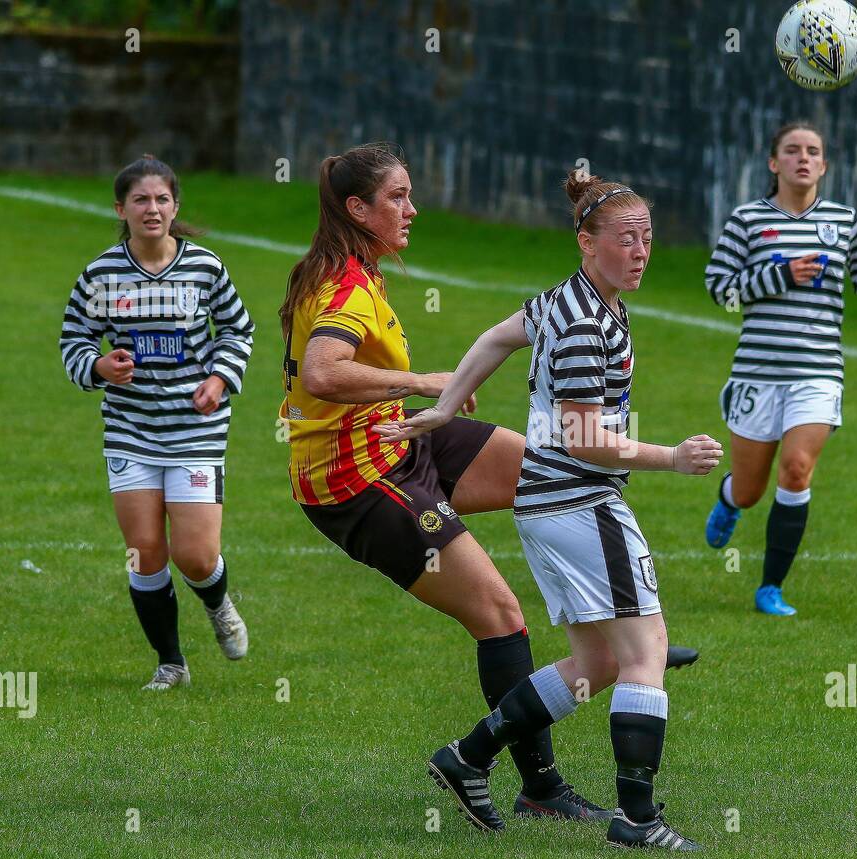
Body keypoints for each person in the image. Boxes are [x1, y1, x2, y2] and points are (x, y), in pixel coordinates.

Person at [281, 143, 669, 823]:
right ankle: (535, 785)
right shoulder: (343, 282)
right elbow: (321, 374)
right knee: (500, 618)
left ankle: (620, 645)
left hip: (398, 440)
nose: (412, 208)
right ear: (356, 209)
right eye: (397, 197)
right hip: (356, 478)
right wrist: (428, 382)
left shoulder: (358, 269)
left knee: (552, 471)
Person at [379, 171, 722, 850]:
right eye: (626, 240)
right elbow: (585, 439)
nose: (641, 251)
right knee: (646, 651)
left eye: (647, 238)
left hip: (546, 504)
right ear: (586, 243)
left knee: (595, 664)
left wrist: (446, 407)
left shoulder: (566, 301)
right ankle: (637, 821)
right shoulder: (586, 324)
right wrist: (672, 457)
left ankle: (468, 756)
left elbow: (496, 337)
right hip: (579, 500)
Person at [60, 154, 254, 690]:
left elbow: (238, 331)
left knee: (195, 555)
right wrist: (99, 367)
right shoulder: (100, 274)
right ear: (120, 208)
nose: (152, 208)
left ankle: (217, 603)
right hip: (131, 429)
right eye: (141, 200)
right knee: (145, 551)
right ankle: (171, 664)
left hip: (194, 428)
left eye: (162, 199)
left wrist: (218, 379)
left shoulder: (205, 267)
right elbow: (73, 341)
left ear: (175, 206)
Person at [702, 121, 857, 616]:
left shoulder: (844, 220)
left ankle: (770, 587)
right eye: (792, 150)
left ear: (824, 165)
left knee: (796, 469)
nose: (803, 158)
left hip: (817, 373)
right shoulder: (748, 220)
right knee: (752, 491)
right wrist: (781, 274)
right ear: (774, 163)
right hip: (756, 372)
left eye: (813, 151)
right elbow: (719, 286)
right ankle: (730, 497)